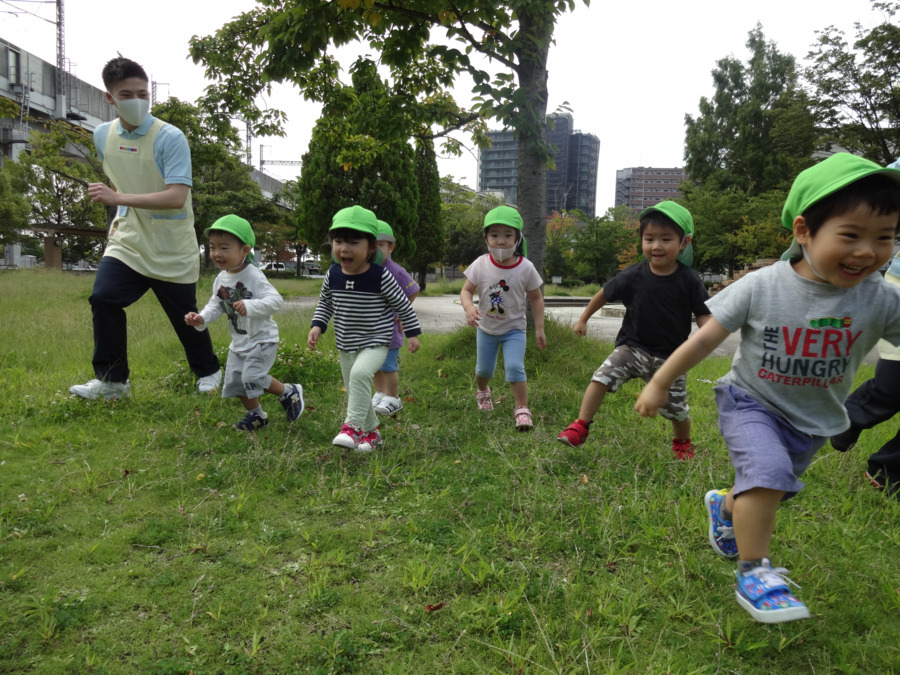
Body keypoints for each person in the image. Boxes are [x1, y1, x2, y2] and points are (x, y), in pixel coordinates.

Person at [635, 153, 900, 624]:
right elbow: (704, 339)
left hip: (813, 421)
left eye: (885, 237)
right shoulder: (763, 286)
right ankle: (755, 572)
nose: (867, 251)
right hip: (750, 402)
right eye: (850, 235)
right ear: (804, 231)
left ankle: (724, 506)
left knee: (773, 489)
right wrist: (659, 381)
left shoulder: (880, 299)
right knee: (769, 474)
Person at [69, 56, 221, 400]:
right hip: (129, 241)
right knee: (104, 298)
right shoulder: (102, 135)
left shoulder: (170, 137)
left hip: (171, 244)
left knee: (185, 316)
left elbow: (177, 196)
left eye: (143, 94)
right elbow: (122, 178)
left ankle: (208, 370)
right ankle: (112, 382)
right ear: (110, 98)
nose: (136, 101)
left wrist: (118, 198)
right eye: (126, 95)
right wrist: (120, 208)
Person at [557, 202, 711, 459]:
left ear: (684, 242)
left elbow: (704, 313)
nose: (656, 246)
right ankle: (580, 426)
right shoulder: (633, 274)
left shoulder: (690, 280)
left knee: (677, 410)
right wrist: (583, 319)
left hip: (671, 358)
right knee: (601, 377)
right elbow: (604, 294)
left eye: (666, 239)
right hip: (631, 347)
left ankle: (683, 443)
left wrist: (708, 336)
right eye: (649, 239)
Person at [308, 206, 421, 452]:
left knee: (360, 375)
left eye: (353, 242)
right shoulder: (333, 274)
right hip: (346, 344)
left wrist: (412, 333)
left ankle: (352, 427)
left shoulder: (380, 276)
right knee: (355, 389)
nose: (344, 248)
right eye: (338, 241)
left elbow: (402, 304)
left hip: (376, 342)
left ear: (371, 248)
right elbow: (325, 302)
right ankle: (373, 434)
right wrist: (317, 325)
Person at [184, 215, 303, 431]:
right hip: (239, 341)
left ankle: (288, 392)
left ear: (245, 250)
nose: (217, 254)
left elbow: (275, 300)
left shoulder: (253, 275)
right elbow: (216, 304)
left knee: (252, 377)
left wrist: (251, 306)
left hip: (261, 338)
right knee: (237, 382)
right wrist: (201, 318)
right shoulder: (221, 278)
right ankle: (256, 415)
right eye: (212, 247)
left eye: (224, 248)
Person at [459, 205, 546, 430]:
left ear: (517, 239)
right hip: (486, 329)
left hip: (514, 330)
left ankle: (522, 409)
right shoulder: (481, 264)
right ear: (486, 238)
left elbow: (536, 298)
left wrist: (539, 328)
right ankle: (483, 391)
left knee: (515, 367)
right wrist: (469, 308)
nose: (500, 241)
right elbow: (466, 290)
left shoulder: (526, 267)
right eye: (494, 235)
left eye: (508, 235)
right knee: (483, 370)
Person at [371, 220, 420, 416]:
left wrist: (401, 312)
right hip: (371, 330)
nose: (375, 250)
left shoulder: (395, 271)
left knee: (388, 365)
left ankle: (393, 397)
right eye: (371, 245)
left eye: (380, 245)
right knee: (374, 365)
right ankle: (380, 392)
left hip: (390, 330)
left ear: (390, 248)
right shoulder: (365, 268)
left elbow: (413, 289)